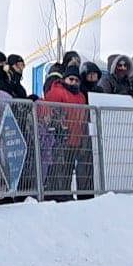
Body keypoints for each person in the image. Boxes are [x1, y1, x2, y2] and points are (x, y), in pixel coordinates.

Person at [42, 67, 92, 199]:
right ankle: (58, 195)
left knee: (68, 169)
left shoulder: (81, 96)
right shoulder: (57, 92)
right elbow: (49, 112)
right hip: (60, 139)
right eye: (71, 79)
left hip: (75, 138)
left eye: (76, 80)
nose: (74, 82)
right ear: (64, 79)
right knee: (59, 169)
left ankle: (65, 194)